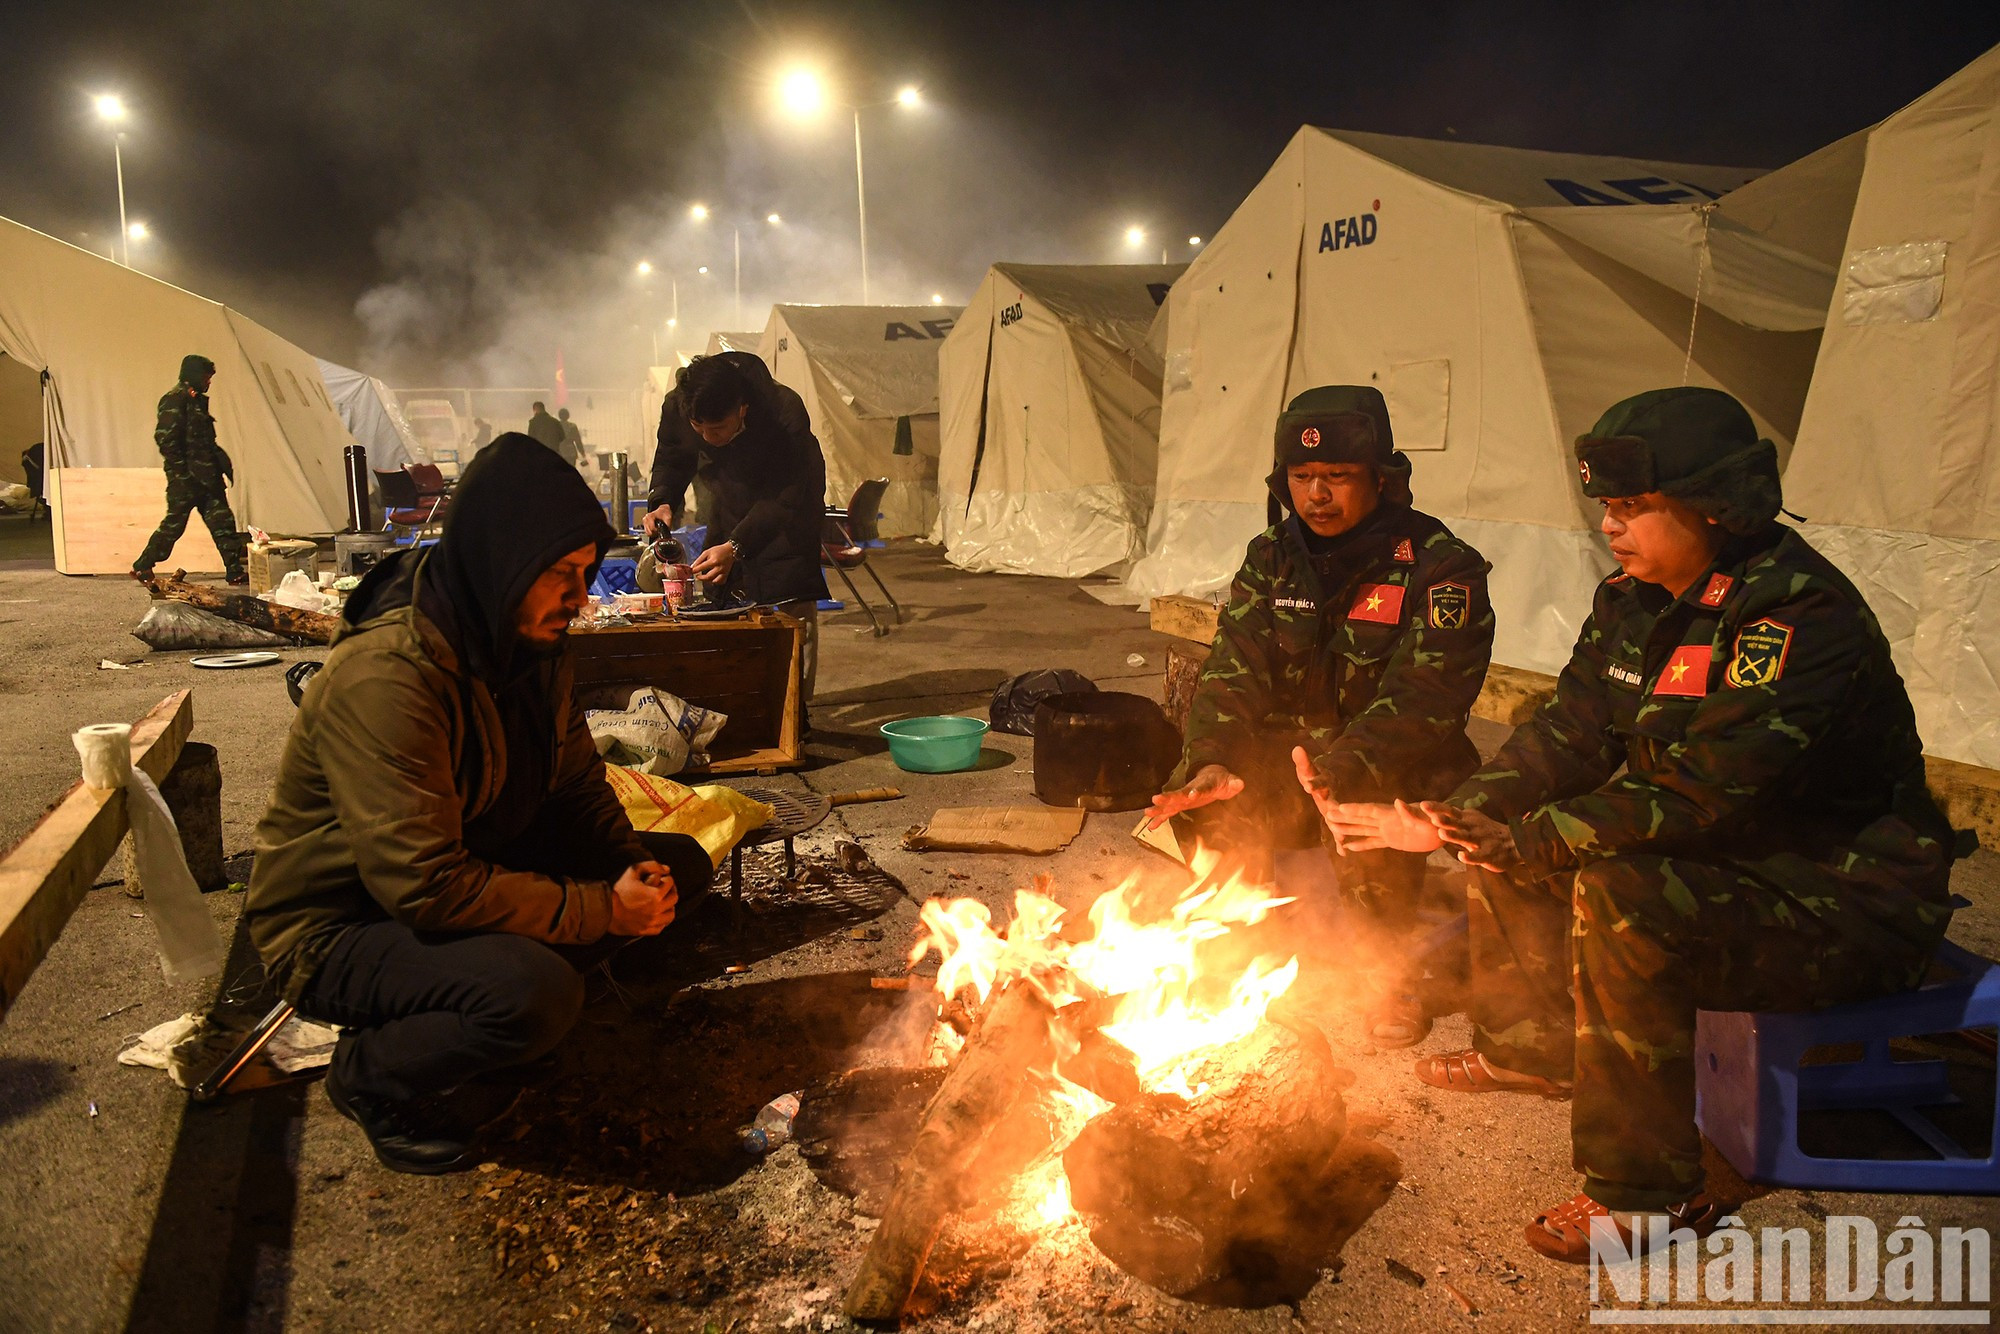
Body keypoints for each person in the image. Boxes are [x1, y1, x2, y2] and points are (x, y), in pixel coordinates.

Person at [1317, 388, 1956, 1262]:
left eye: (1633, 508)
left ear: (1717, 506)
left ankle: (1647, 1199)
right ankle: (1532, 1050)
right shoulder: (1635, 596)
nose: (1612, 530)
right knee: (1512, 827)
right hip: (1733, 863)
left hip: (1842, 900)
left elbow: (1703, 791)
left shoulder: (1797, 614)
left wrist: (1527, 836)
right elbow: (1569, 731)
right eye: (1608, 510)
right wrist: (1466, 814)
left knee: (1618, 888)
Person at [245, 434, 714, 1175]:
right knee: (532, 995)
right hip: (340, 925)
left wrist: (630, 868)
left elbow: (575, 781)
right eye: (561, 575)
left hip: (466, 863)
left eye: (586, 574)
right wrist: (602, 911)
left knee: (676, 863)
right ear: (501, 562)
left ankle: (497, 1023)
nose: (580, 598)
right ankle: (373, 1076)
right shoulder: (390, 677)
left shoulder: (525, 641)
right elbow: (424, 885)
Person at [1145, 385, 1494, 1043]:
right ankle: (1238, 949)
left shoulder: (1442, 567)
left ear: (1383, 481)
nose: (1317, 496)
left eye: (1337, 477)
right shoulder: (1272, 557)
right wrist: (1212, 757)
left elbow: (1429, 696)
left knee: (1369, 796)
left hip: (1394, 760)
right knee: (1208, 791)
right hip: (1300, 758)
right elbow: (1233, 667)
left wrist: (1341, 767)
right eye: (1303, 478)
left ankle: (1387, 979)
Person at [642, 352, 830, 698]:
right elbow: (672, 455)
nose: (707, 437)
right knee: (723, 598)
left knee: (789, 609)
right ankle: (743, 700)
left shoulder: (782, 410)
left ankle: (796, 713)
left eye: (718, 429)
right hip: (729, 495)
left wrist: (737, 546)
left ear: (742, 408)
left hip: (791, 502)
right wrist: (663, 500)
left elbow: (785, 494)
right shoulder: (680, 406)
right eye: (700, 429)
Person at [132, 354, 248, 585]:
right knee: (173, 527)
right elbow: (165, 439)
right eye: (206, 377)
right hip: (186, 481)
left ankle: (234, 571)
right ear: (194, 376)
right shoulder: (175, 400)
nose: (209, 382)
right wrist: (182, 473)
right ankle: (143, 564)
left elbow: (204, 442)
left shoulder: (196, 401)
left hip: (208, 480)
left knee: (223, 524)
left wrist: (220, 465)